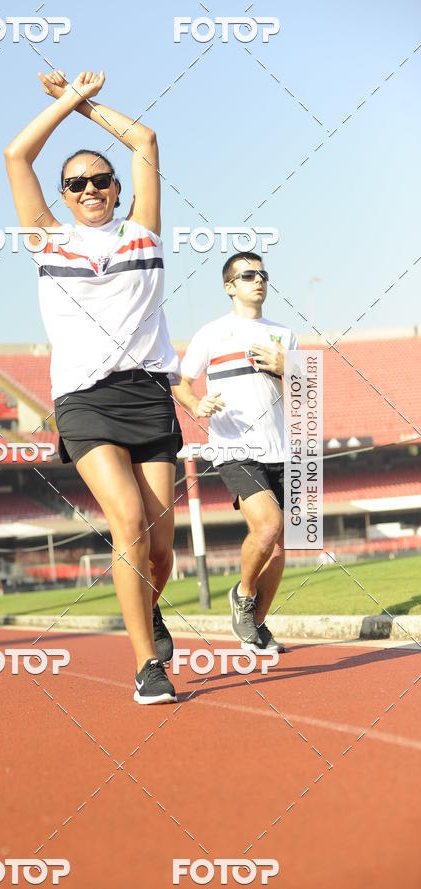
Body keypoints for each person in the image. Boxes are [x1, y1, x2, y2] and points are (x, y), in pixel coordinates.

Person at [4, 69, 182, 704]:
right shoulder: (48, 239)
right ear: (63, 195)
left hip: (148, 396)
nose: (89, 189)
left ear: (116, 188)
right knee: (128, 521)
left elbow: (145, 139)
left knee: (161, 547)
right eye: (75, 183)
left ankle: (149, 608)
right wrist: (68, 100)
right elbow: (16, 155)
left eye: (100, 179)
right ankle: (146, 666)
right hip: (83, 400)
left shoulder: (143, 232)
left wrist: (85, 106)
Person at [174, 252, 299, 653]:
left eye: (263, 273)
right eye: (248, 275)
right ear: (229, 286)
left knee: (278, 547)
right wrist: (197, 405)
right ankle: (243, 595)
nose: (258, 280)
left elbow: (308, 392)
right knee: (268, 525)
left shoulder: (284, 335)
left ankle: (256, 625)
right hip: (234, 448)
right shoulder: (212, 333)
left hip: (280, 449)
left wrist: (288, 367)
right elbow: (180, 381)